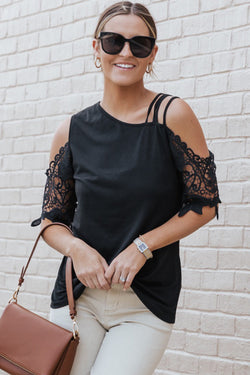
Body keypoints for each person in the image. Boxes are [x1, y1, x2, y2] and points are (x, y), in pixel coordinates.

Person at [32, 2, 221, 374]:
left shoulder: (172, 115)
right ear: (96, 48)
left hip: (145, 303)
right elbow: (51, 221)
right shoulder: (72, 130)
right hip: (77, 298)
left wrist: (142, 246)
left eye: (139, 44)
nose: (125, 52)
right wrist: (77, 250)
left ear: (153, 53)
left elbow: (204, 204)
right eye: (114, 41)